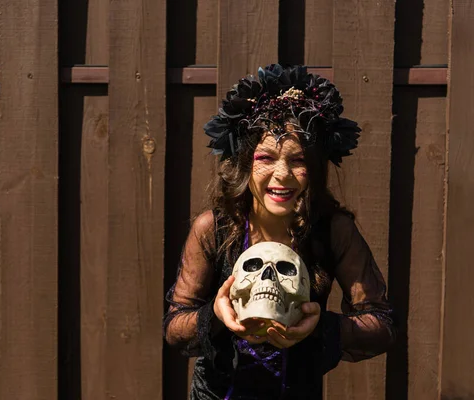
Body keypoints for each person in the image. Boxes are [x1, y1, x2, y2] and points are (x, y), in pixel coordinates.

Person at [163, 64, 396, 399]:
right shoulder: (215, 229)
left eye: (298, 161)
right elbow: (174, 327)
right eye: (266, 158)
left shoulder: (333, 231)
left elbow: (381, 325)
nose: (282, 174)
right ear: (245, 162)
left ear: (315, 168)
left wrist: (322, 328)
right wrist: (214, 315)